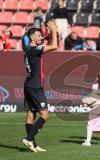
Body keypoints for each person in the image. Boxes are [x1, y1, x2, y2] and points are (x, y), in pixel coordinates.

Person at [22, 20, 58, 152]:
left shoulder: (28, 49)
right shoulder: (33, 49)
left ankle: (33, 145)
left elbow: (46, 45)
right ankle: (29, 138)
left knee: (31, 114)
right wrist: (54, 30)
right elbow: (54, 46)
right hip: (35, 86)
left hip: (29, 84)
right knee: (44, 115)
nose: (41, 38)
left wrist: (49, 33)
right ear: (32, 37)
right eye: (38, 36)